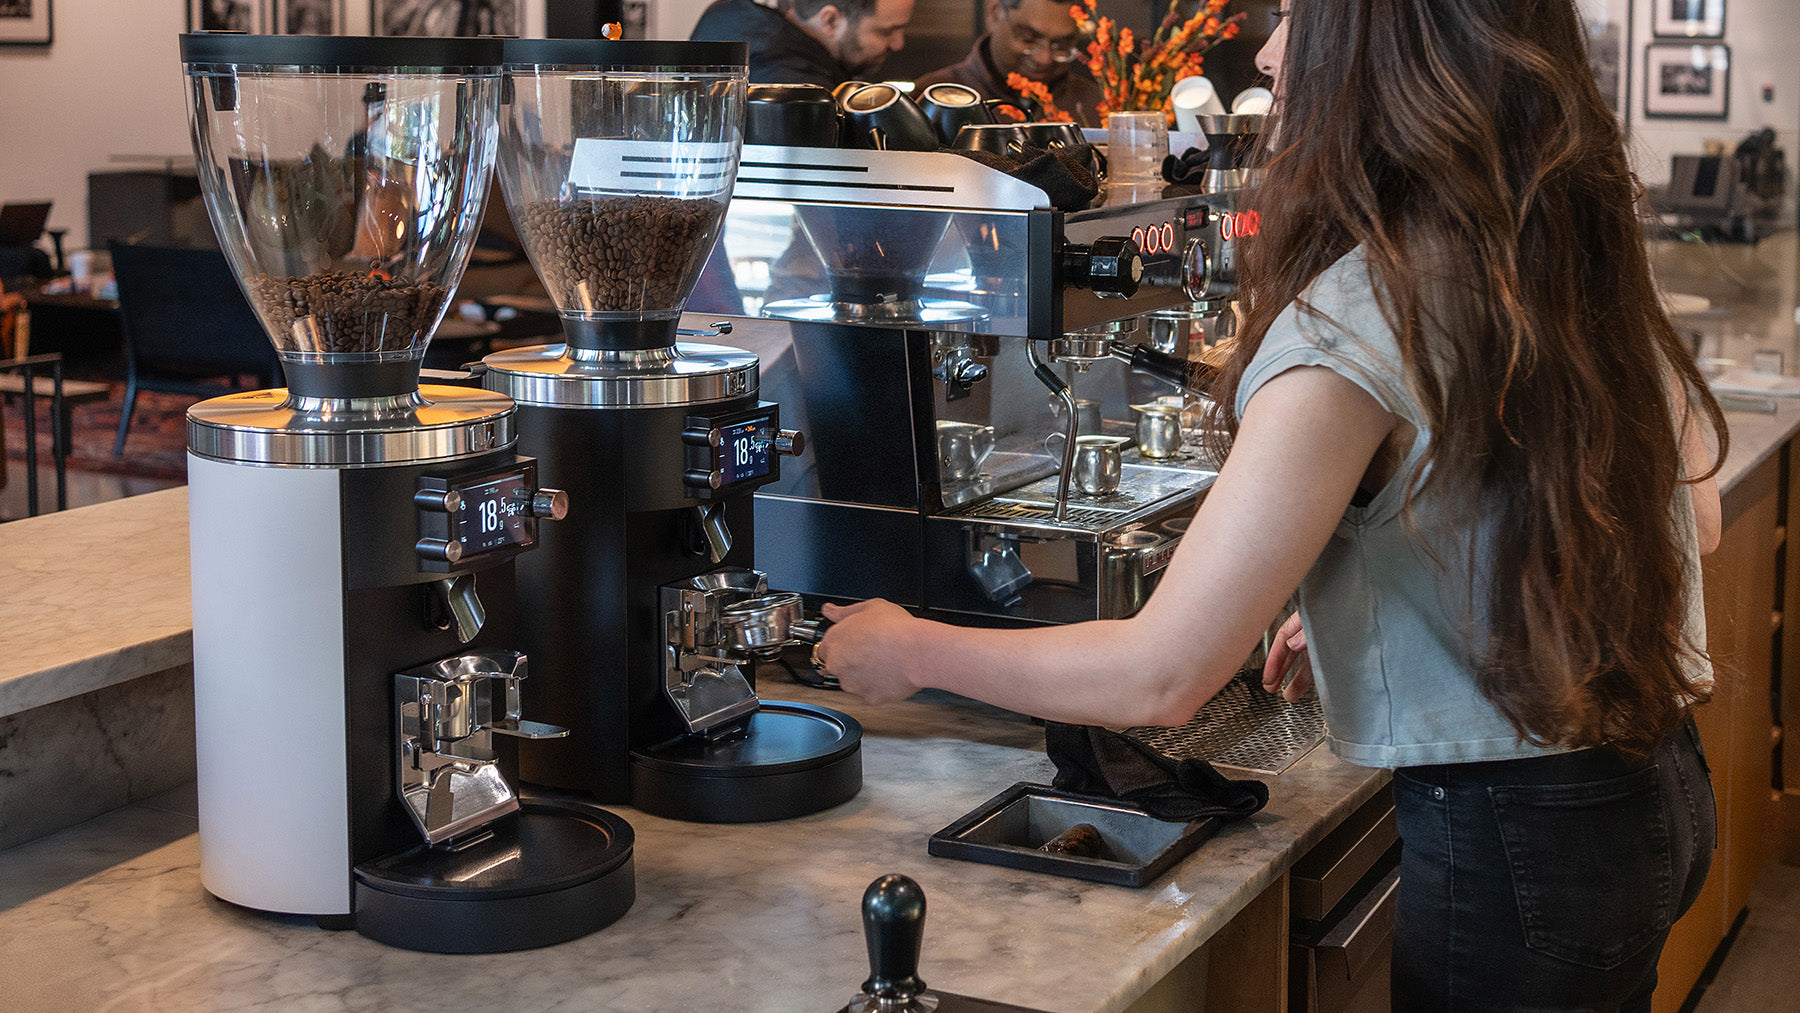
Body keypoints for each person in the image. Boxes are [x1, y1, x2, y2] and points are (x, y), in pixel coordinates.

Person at [813, 1, 1725, 1008]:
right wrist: (1377, 582)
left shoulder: (1360, 317)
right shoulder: (1560, 243)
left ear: (1384, 51)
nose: (1271, 48)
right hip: (1653, 787)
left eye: (1299, 16)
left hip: (1519, 841)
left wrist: (909, 648)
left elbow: (1162, 675)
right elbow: (1689, 515)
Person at [913, 0, 1104, 126]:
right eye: (1029, 38)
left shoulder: (1094, 104)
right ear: (994, 14)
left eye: (1061, 45)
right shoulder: (932, 97)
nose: (1044, 58)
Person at [689, 0, 914, 89]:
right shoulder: (803, 89)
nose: (898, 44)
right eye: (887, 31)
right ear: (831, 20)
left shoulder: (726, 15)